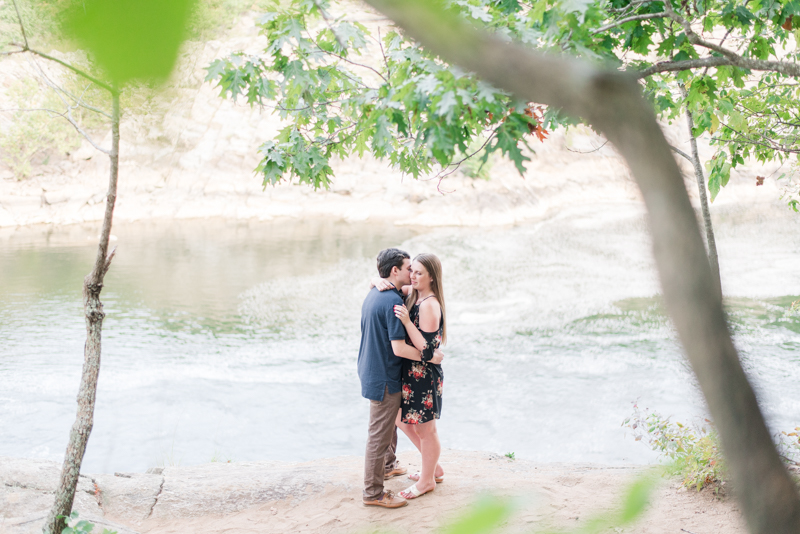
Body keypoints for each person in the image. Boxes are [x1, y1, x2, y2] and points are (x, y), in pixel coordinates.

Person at [358, 248, 444, 508]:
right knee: (401, 422)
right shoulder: (407, 294)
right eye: (411, 270)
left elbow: (427, 349)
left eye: (418, 272)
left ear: (430, 277)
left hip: (422, 373)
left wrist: (429, 355)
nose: (413, 275)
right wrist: (375, 279)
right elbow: (385, 284)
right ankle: (431, 469)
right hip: (408, 373)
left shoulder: (426, 304)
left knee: (425, 429)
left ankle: (428, 477)